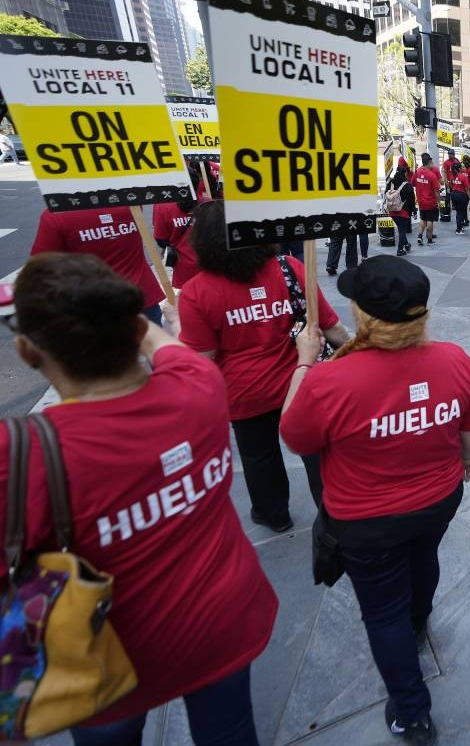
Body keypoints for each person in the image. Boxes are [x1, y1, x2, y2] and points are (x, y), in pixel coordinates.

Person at [3, 252, 277, 745]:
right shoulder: (199, 385)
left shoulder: (22, 454)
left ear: (26, 351)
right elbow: (168, 345)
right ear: (131, 326)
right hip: (225, 619)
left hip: (104, 653)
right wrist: (140, 320)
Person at [279, 256, 470, 746]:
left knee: (382, 611)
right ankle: (418, 623)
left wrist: (304, 363)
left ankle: (413, 712)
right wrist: (461, 457)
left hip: (366, 521)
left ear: (364, 317)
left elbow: (294, 436)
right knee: (424, 558)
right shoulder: (454, 359)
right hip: (439, 498)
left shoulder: (330, 379)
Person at [179, 201, 350, 532]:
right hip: (301, 384)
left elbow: (201, 362)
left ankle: (274, 514)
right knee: (316, 453)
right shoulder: (289, 268)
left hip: (244, 395)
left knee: (259, 458)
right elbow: (332, 328)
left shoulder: (195, 293)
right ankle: (334, 516)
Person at [30, 206, 166, 325]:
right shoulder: (130, 205)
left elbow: (41, 266)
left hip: (91, 304)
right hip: (139, 297)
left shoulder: (56, 215)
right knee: (154, 352)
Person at [153, 196, 200, 292]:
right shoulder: (207, 202)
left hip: (183, 264)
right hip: (210, 263)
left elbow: (161, 239)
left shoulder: (162, 206)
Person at [385, 166, 416, 255]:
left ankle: (406, 244)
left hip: (392, 211)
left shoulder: (390, 183)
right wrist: (414, 211)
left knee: (400, 229)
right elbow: (412, 200)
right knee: (402, 231)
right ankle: (400, 250)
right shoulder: (407, 185)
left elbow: (386, 194)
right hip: (403, 212)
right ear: (404, 173)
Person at [413, 153, 441, 247]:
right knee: (430, 221)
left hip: (421, 201)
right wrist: (439, 202)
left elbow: (413, 183)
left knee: (422, 219)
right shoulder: (432, 175)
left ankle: (420, 236)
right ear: (429, 162)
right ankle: (429, 239)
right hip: (430, 202)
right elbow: (437, 190)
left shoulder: (417, 172)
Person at [448, 161, 470, 235]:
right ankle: (459, 229)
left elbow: (450, 185)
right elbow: (467, 189)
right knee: (461, 212)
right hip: (461, 195)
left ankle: (460, 227)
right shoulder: (463, 177)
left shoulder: (452, 176)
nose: (463, 168)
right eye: (461, 167)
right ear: (459, 169)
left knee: (458, 212)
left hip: (454, 195)